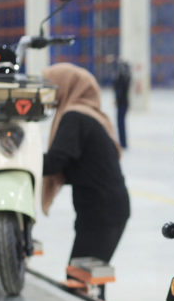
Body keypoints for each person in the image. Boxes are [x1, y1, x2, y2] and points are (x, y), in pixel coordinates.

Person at [40, 63, 130, 264]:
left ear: (66, 86)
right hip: (104, 209)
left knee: (79, 275)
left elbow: (55, 162)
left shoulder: (75, 117)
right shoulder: (91, 115)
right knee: (85, 273)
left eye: (51, 87)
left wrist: (20, 160)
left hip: (101, 213)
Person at [112, 57, 131, 149]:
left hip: (121, 103)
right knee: (121, 123)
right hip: (124, 102)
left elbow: (119, 90)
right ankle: (123, 142)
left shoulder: (122, 77)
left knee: (120, 123)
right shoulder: (127, 76)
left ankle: (123, 142)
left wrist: (116, 99)